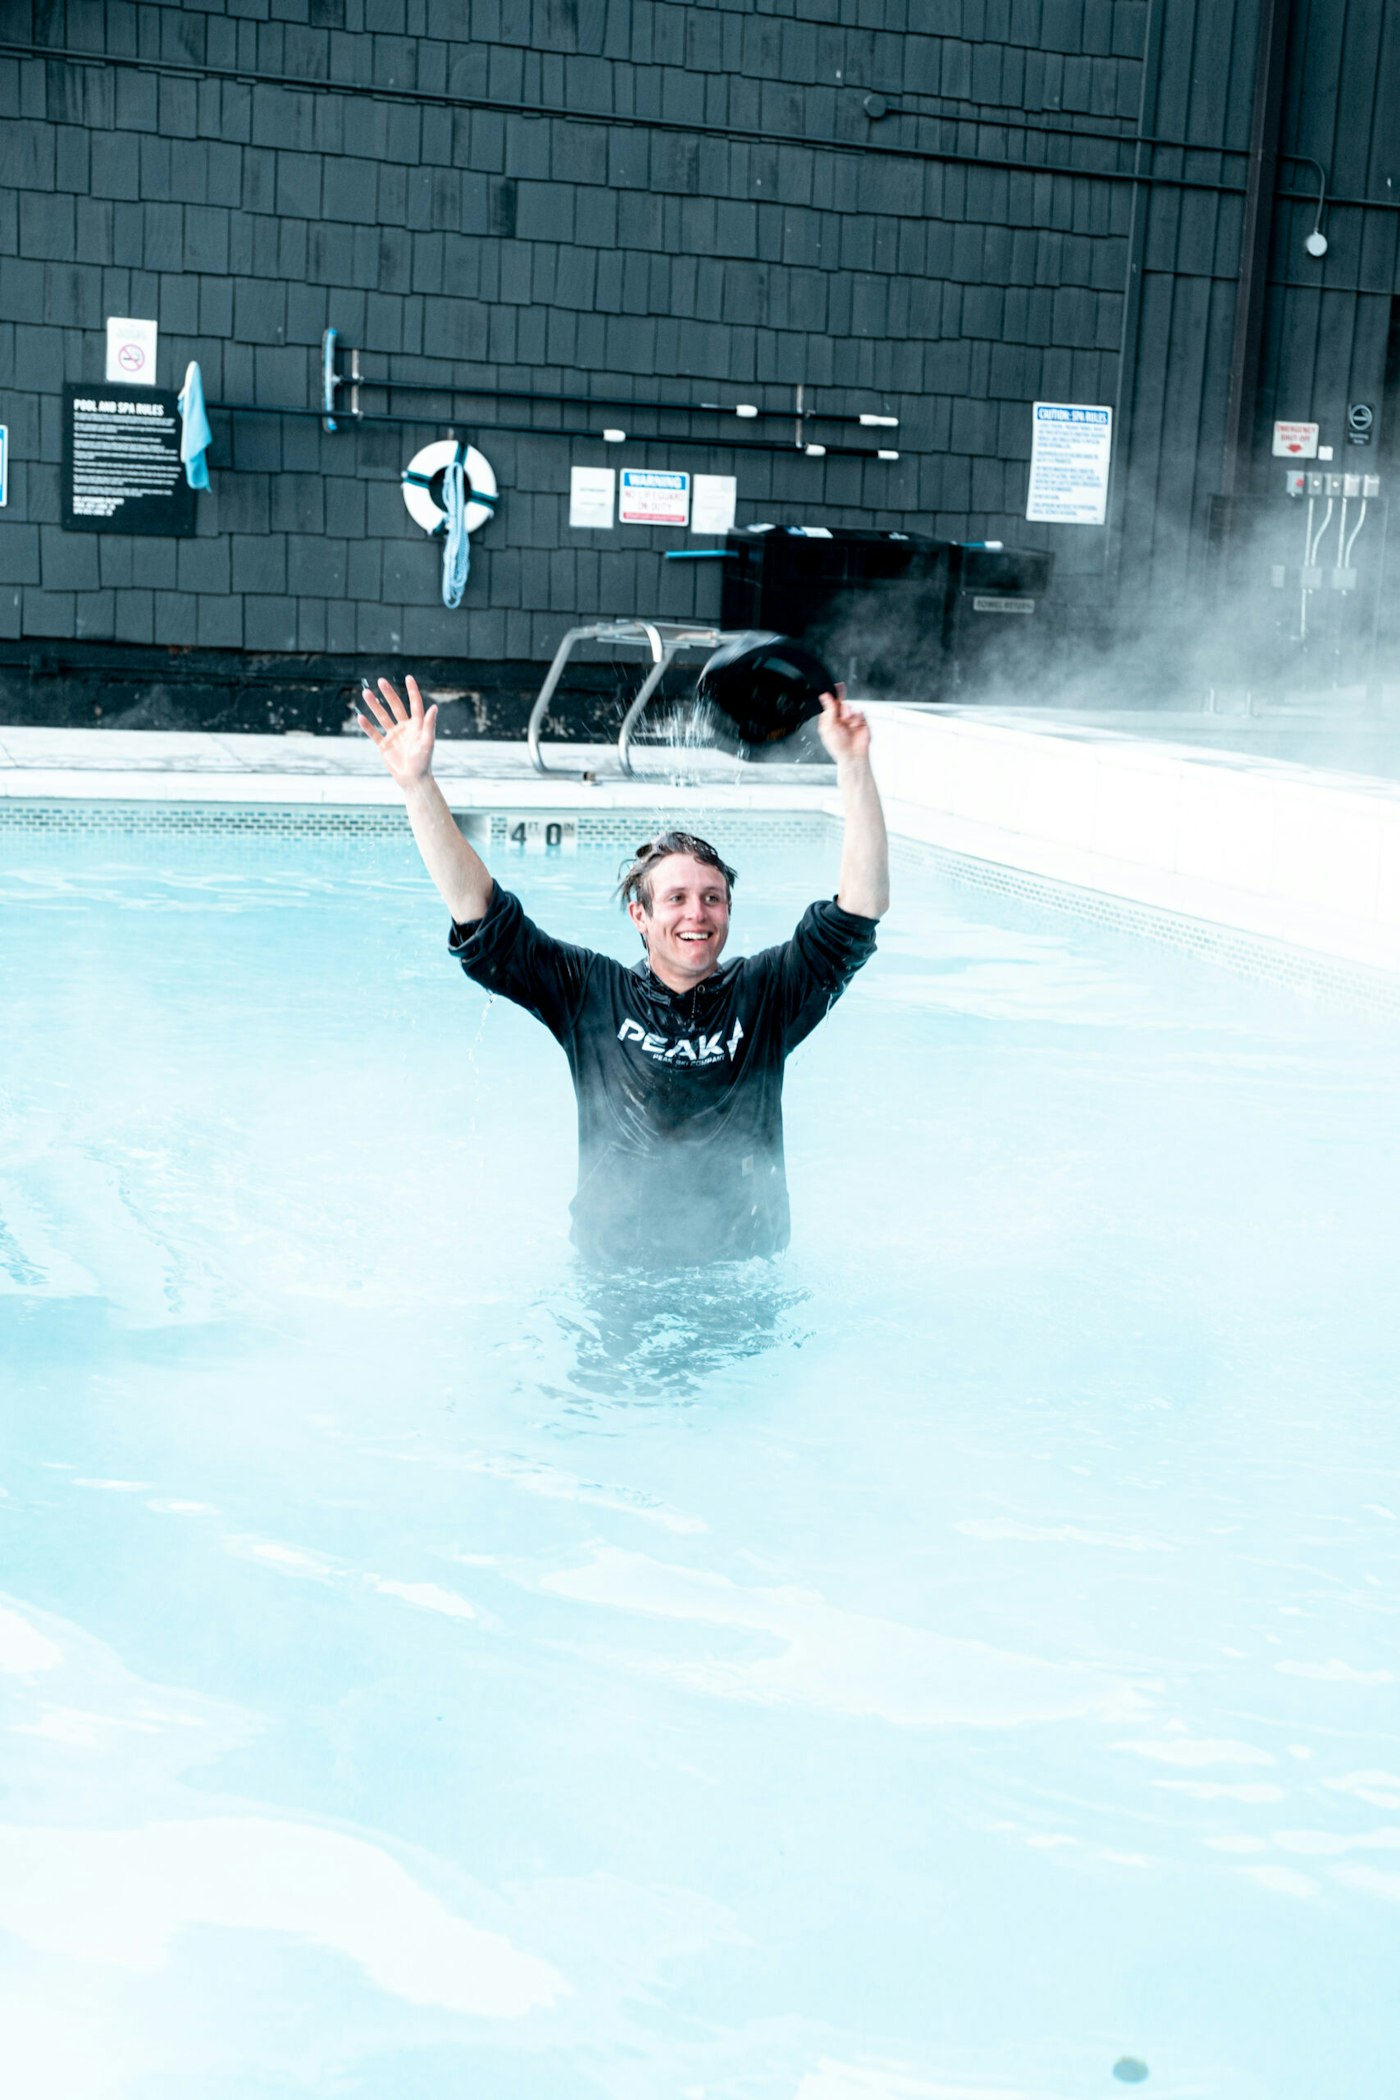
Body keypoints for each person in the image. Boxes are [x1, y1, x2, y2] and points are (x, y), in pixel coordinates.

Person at [358, 673, 890, 1267]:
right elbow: (481, 916)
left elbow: (859, 911)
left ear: (730, 911)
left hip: (744, 1271)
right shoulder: (591, 993)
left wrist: (852, 765)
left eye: (712, 898)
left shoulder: (765, 993)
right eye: (677, 898)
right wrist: (418, 786)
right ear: (640, 914)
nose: (697, 914)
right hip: (619, 1277)